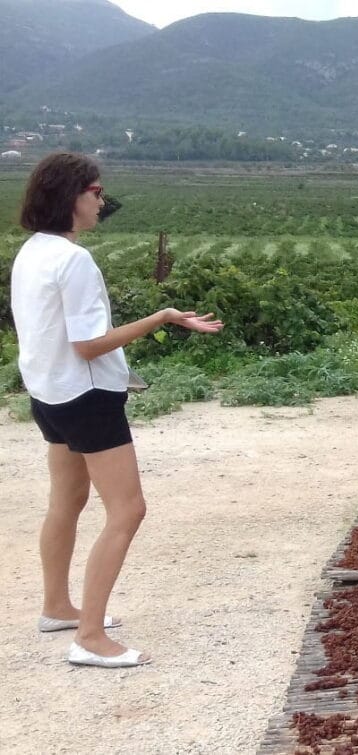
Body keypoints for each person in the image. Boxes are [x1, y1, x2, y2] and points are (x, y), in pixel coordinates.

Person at [11, 152, 224, 668]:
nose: (102, 202)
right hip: (86, 399)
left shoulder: (32, 251)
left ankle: (57, 607)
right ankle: (89, 637)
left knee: (66, 501)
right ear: (72, 197)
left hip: (48, 394)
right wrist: (162, 316)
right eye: (96, 192)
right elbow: (89, 345)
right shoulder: (74, 260)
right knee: (128, 509)